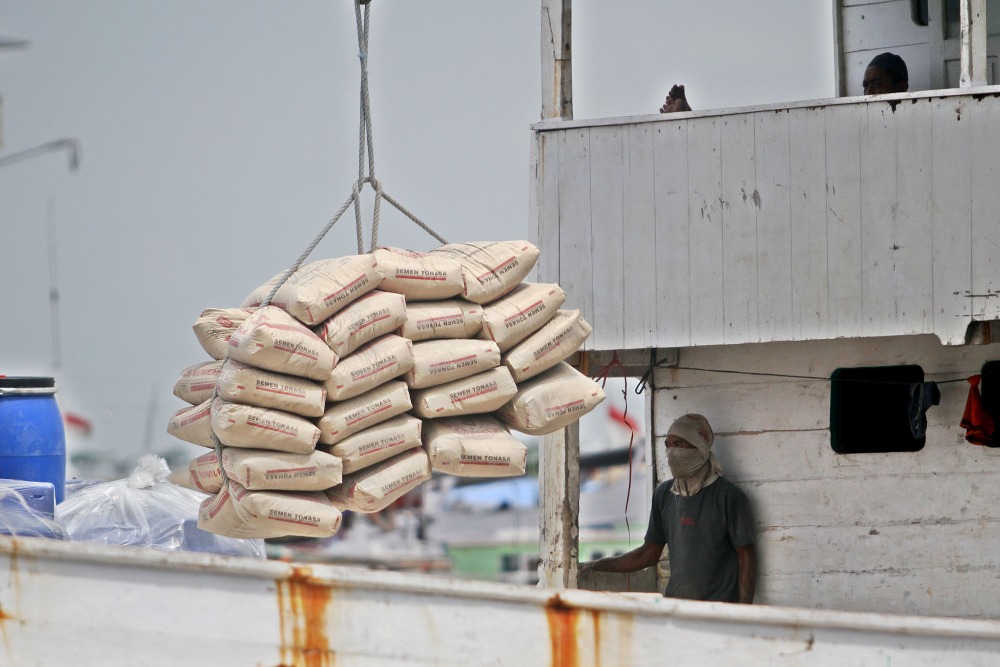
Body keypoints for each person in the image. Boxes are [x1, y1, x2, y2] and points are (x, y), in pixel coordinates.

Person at [579, 413, 757, 603]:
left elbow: (745, 557)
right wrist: (596, 565)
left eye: (678, 444)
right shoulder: (664, 494)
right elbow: (649, 553)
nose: (672, 451)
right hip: (677, 607)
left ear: (699, 446)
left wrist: (744, 609)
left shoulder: (728, 496)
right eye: (668, 445)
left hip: (719, 611)